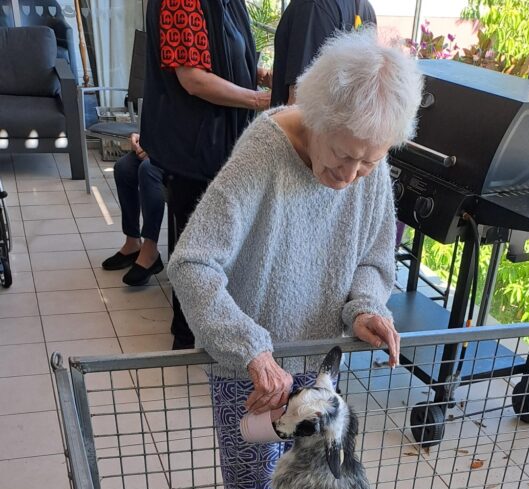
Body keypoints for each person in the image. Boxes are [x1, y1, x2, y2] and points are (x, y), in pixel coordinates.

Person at [168, 30, 423, 489]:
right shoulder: (266, 150)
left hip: (320, 360)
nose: (353, 174)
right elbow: (192, 263)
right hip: (249, 363)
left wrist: (365, 308)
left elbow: (374, 258)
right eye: (344, 157)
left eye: (369, 162)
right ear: (317, 117)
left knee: (317, 472)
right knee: (249, 471)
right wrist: (251, 348)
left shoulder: (368, 155)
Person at [140, 0, 271, 349]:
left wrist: (258, 73)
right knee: (194, 247)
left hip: (215, 145)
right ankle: (186, 341)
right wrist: (259, 100)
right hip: (193, 149)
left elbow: (221, 54)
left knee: (209, 242)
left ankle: (204, 331)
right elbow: (193, 79)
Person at [271, 0, 377, 106]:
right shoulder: (366, 9)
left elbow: (299, 103)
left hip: (313, 115)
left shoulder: (313, 6)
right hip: (344, 115)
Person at [102, 133, 165, 286]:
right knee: (123, 167)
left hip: (187, 150)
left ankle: (150, 250)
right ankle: (133, 243)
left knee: (148, 169)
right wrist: (141, 139)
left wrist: (158, 149)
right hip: (161, 144)